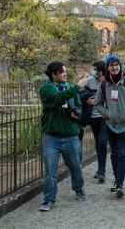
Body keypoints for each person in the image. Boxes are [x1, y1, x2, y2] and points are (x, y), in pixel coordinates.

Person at [39, 61, 89, 212]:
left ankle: (79, 189)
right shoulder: (46, 89)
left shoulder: (68, 88)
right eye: (62, 72)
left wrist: (77, 113)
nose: (65, 74)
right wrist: (77, 87)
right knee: (50, 171)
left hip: (71, 136)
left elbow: (79, 105)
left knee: (76, 167)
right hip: (51, 138)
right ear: (53, 74)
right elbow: (57, 99)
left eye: (65, 71)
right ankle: (49, 199)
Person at [94, 55, 125, 198]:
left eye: (116, 64)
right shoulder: (104, 83)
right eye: (111, 65)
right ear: (108, 67)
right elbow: (98, 103)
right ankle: (117, 180)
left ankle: (119, 184)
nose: (114, 67)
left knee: (122, 154)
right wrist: (107, 114)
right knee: (113, 154)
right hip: (110, 125)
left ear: (120, 66)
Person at [80, 60, 108, 183]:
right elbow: (82, 94)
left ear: (101, 71)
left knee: (102, 142)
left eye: (96, 69)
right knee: (98, 142)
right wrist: (86, 100)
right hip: (93, 117)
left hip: (104, 117)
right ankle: (100, 169)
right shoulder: (90, 81)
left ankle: (102, 172)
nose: (94, 72)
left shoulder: (108, 82)